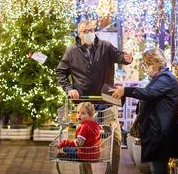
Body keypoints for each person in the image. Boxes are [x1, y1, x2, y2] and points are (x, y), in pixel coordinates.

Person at [56, 20, 133, 174]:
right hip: (84, 104)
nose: (89, 33)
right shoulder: (71, 51)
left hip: (106, 100)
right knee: (83, 140)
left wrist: (127, 58)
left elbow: (120, 57)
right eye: (85, 31)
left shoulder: (105, 46)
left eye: (91, 30)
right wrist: (69, 88)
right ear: (79, 34)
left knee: (115, 139)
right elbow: (61, 72)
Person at [110, 48, 178, 174]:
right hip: (158, 131)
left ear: (155, 62)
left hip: (162, 133)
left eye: (146, 64)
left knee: (158, 168)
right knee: (156, 167)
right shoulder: (160, 78)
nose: (145, 67)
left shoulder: (166, 78)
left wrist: (126, 91)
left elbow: (149, 93)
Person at [56, 102, 100, 172]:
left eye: (83, 113)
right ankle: (69, 153)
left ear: (90, 115)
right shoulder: (95, 124)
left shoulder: (84, 127)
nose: (79, 115)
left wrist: (64, 143)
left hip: (84, 155)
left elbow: (78, 143)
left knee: (65, 148)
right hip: (94, 153)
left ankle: (66, 156)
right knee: (70, 148)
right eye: (78, 112)